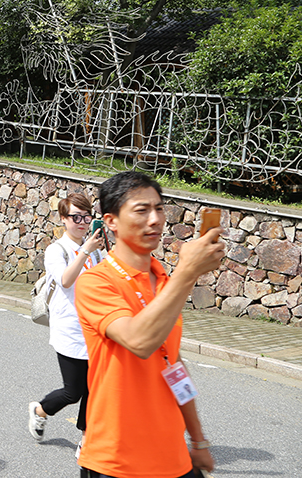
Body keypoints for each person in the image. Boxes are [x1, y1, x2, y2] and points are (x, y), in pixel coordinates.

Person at [75, 171, 223, 478]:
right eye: (141, 210)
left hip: (175, 461)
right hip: (116, 463)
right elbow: (140, 342)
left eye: (159, 208)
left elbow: (172, 361)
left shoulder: (166, 281)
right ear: (111, 221)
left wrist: (197, 439)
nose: (155, 220)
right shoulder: (95, 282)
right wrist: (188, 272)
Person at [28, 193, 104, 454]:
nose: (82, 222)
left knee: (95, 388)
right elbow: (65, 280)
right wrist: (85, 251)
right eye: (76, 217)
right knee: (74, 392)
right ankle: (40, 409)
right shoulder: (56, 250)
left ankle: (87, 439)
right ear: (63, 219)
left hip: (96, 331)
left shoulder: (96, 251)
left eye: (86, 216)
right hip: (70, 331)